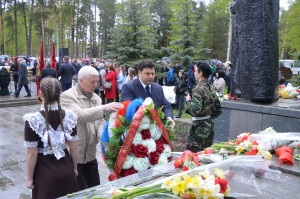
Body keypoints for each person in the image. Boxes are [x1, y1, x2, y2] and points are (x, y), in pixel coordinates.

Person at [60, 66, 123, 190]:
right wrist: (104, 108)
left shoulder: (97, 98)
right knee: (79, 192)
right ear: (81, 80)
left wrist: (106, 139)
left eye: (97, 81)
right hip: (74, 157)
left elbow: (99, 122)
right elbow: (78, 115)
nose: (96, 85)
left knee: (95, 190)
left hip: (91, 156)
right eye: (92, 82)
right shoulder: (67, 96)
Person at [24, 77, 79, 198]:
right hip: (67, 171)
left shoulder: (33, 120)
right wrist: (74, 168)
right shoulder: (70, 116)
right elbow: (74, 147)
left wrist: (29, 179)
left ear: (41, 93)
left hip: (44, 174)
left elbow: (31, 154)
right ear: (60, 94)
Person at [121, 59, 175, 128]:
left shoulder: (158, 88)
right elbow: (127, 109)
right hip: (136, 131)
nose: (151, 77)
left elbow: (166, 105)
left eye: (153, 74)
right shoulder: (128, 87)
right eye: (147, 74)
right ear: (139, 73)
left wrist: (169, 117)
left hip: (157, 131)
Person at [185, 62, 222, 152]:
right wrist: (208, 116)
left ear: (200, 73)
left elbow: (195, 111)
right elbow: (218, 109)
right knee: (205, 154)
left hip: (199, 127)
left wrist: (189, 101)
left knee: (192, 154)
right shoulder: (210, 88)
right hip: (209, 125)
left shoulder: (198, 89)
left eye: (195, 71)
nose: (194, 73)